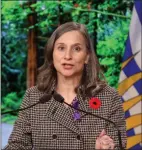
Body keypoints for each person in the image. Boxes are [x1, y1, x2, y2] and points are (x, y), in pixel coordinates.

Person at [4, 22, 126, 150]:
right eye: (61, 48)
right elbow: (17, 145)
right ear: (52, 54)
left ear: (87, 57)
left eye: (77, 49)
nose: (67, 56)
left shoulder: (109, 96)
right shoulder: (34, 96)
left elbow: (119, 145)